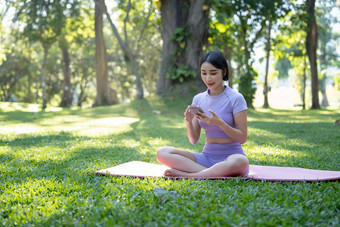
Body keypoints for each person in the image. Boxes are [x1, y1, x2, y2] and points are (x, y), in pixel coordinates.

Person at [156, 50, 249, 178]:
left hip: (231, 157)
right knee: (162, 152)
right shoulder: (198, 99)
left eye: (213, 73)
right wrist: (189, 123)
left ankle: (191, 175)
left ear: (224, 72)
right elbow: (193, 140)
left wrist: (219, 123)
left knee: (241, 162)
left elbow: (242, 138)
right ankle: (206, 173)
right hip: (206, 158)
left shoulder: (236, 98)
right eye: (204, 73)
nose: (208, 78)